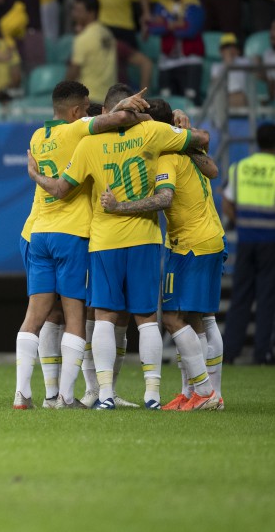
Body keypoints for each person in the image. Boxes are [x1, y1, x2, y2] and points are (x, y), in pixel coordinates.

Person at [27, 86, 210, 409]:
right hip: (145, 237)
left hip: (102, 240)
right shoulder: (152, 132)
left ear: (104, 113)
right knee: (146, 318)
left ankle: (103, 395)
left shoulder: (88, 143)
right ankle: (152, 395)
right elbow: (202, 141)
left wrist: (35, 175)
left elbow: (60, 188)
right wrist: (183, 125)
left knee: (104, 317)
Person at [15, 81, 151, 409]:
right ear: (76, 112)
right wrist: (125, 107)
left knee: (42, 314)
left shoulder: (38, 136)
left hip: (35, 232)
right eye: (87, 106)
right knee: (77, 315)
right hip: (72, 234)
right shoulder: (78, 132)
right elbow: (112, 122)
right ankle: (67, 395)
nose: (90, 111)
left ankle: (29, 394)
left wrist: (36, 177)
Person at [100, 99, 224, 410]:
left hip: (191, 244)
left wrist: (119, 208)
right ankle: (195, 393)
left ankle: (207, 392)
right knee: (199, 320)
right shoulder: (188, 149)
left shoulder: (167, 155)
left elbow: (165, 198)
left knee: (172, 318)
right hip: (209, 237)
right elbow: (213, 170)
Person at [222, 122, 275, 365]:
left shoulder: (241, 167)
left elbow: (227, 203)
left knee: (241, 295)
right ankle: (261, 353)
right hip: (271, 242)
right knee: (266, 298)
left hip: (246, 238)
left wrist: (242, 222)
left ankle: (230, 351)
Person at [145, 0, 205, 103]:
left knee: (191, 100)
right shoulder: (162, 5)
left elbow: (191, 31)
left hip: (190, 60)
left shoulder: (194, 4)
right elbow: (153, 29)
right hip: (167, 62)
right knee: (165, 101)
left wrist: (165, 23)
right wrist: (176, 23)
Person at [67, 0, 117, 105]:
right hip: (109, 98)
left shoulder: (83, 38)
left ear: (91, 13)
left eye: (78, 11)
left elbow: (74, 71)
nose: (74, 14)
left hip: (89, 98)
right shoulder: (107, 33)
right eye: (74, 10)